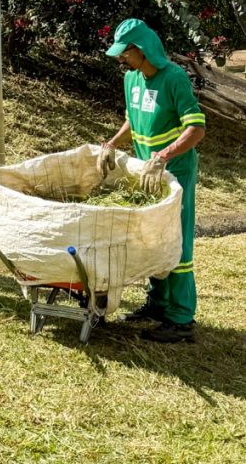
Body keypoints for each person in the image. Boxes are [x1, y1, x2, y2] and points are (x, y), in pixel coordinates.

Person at [97, 19, 205, 343]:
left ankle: (181, 318)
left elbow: (196, 127)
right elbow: (132, 118)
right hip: (147, 173)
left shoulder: (174, 78)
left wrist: (164, 155)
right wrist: (112, 144)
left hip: (176, 174)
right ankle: (157, 305)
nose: (121, 60)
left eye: (125, 53)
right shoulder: (132, 79)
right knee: (155, 238)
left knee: (177, 240)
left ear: (141, 50)